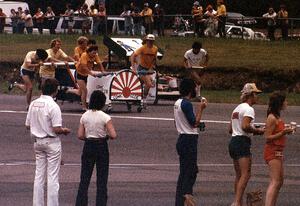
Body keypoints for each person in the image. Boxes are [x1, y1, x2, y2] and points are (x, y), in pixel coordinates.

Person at [25, 78, 70, 206]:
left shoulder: (33, 103)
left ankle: (37, 204)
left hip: (37, 142)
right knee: (52, 177)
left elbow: (27, 125)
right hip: (51, 142)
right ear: (55, 91)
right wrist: (64, 130)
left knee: (39, 176)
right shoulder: (53, 106)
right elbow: (56, 128)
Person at [75, 90, 117, 206]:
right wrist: (106, 136)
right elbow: (113, 135)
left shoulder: (85, 116)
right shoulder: (105, 117)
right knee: (102, 179)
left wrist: (89, 137)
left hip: (88, 145)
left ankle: (81, 203)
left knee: (84, 178)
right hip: (101, 146)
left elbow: (80, 135)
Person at [228, 83, 265, 206]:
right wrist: (257, 131)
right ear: (251, 95)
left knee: (239, 175)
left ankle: (238, 201)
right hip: (242, 142)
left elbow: (230, 128)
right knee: (246, 174)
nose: (257, 97)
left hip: (233, 141)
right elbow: (245, 126)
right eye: (256, 94)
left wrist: (250, 128)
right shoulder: (249, 109)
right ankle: (237, 202)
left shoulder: (237, 108)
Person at [174, 78, 207, 206]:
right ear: (190, 89)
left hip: (182, 137)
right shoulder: (187, 104)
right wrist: (201, 108)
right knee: (190, 172)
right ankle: (187, 199)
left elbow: (182, 121)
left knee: (184, 172)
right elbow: (194, 122)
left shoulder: (177, 103)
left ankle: (180, 201)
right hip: (189, 140)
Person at [264, 92, 295, 206]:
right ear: (279, 103)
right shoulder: (272, 118)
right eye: (285, 101)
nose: (286, 103)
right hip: (272, 151)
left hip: (278, 151)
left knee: (279, 181)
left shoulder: (277, 117)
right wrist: (283, 132)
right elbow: (267, 137)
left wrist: (284, 132)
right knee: (275, 181)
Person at [68, 45, 105, 110]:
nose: (94, 54)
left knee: (80, 92)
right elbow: (84, 67)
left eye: (96, 53)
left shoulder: (95, 55)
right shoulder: (84, 55)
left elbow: (99, 63)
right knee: (85, 90)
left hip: (86, 75)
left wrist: (103, 71)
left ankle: (68, 90)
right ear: (89, 52)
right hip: (79, 74)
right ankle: (84, 107)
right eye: (93, 53)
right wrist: (91, 73)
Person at [130, 34, 158, 104]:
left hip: (148, 69)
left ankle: (139, 97)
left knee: (143, 83)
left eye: (152, 41)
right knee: (148, 84)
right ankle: (143, 99)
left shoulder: (155, 49)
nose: (150, 42)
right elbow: (133, 56)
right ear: (146, 41)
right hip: (142, 68)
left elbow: (154, 59)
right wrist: (133, 68)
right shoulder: (143, 48)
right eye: (149, 41)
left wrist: (152, 67)